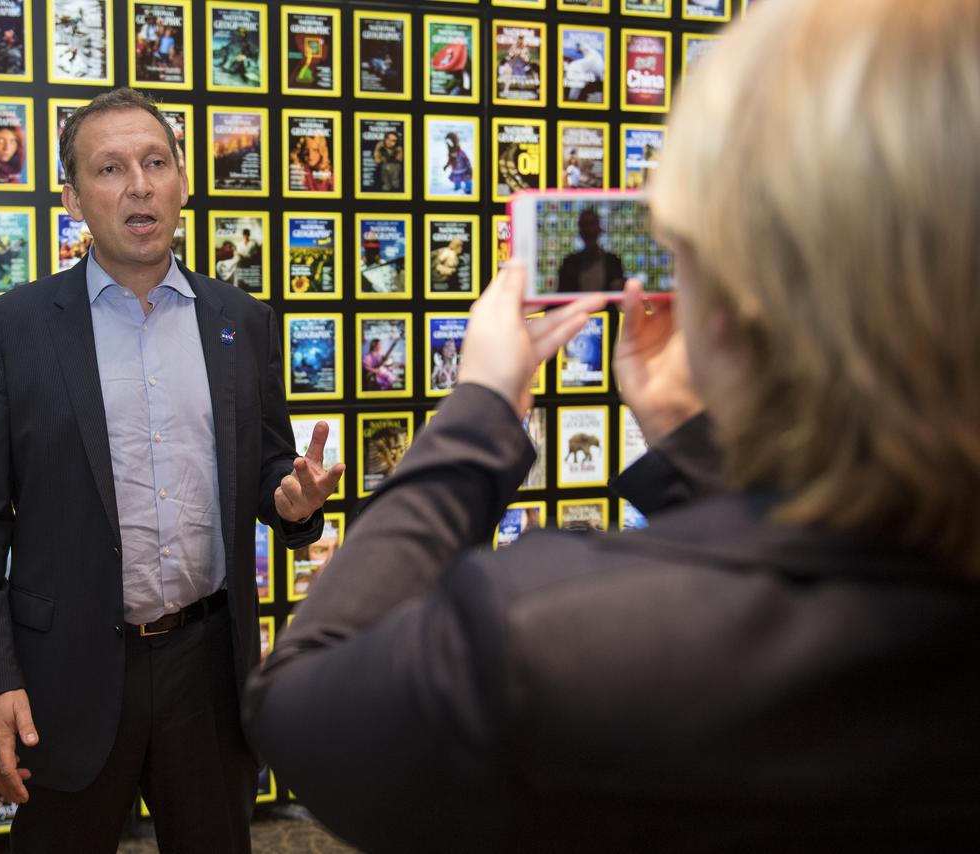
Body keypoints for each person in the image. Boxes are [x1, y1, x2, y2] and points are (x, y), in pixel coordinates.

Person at [243, 0, 980, 850]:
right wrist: (688, 435)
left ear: (735, 300)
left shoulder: (553, 638)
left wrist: (478, 415)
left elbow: (300, 700)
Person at [0, 86, 343, 854]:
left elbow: (268, 470)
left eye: (156, 162)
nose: (139, 184)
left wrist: (293, 505)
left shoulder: (241, 321)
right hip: (68, 675)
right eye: (111, 167)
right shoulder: (13, 330)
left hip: (208, 669)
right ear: (73, 197)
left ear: (182, 183)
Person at [557, 208, 625, 292]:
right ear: (580, 231)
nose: (589, 230)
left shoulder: (613, 262)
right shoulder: (569, 263)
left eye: (592, 224)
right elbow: (561, 294)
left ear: (600, 229)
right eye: (584, 225)